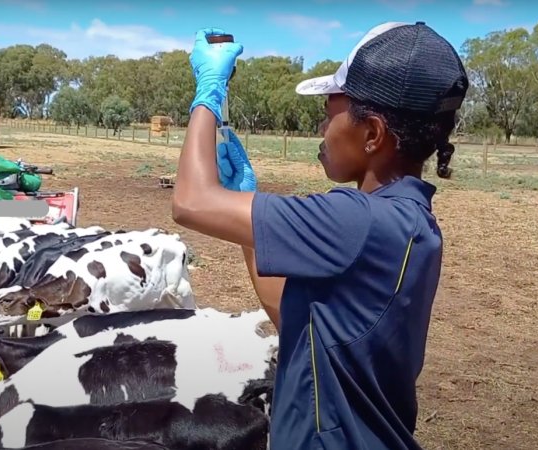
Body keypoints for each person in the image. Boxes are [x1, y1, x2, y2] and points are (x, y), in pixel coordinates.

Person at [172, 20, 468, 450]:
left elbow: (190, 201)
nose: (322, 131)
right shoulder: (409, 221)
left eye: (329, 116)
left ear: (372, 134)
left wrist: (209, 93)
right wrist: (246, 218)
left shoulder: (355, 221)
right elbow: (295, 318)